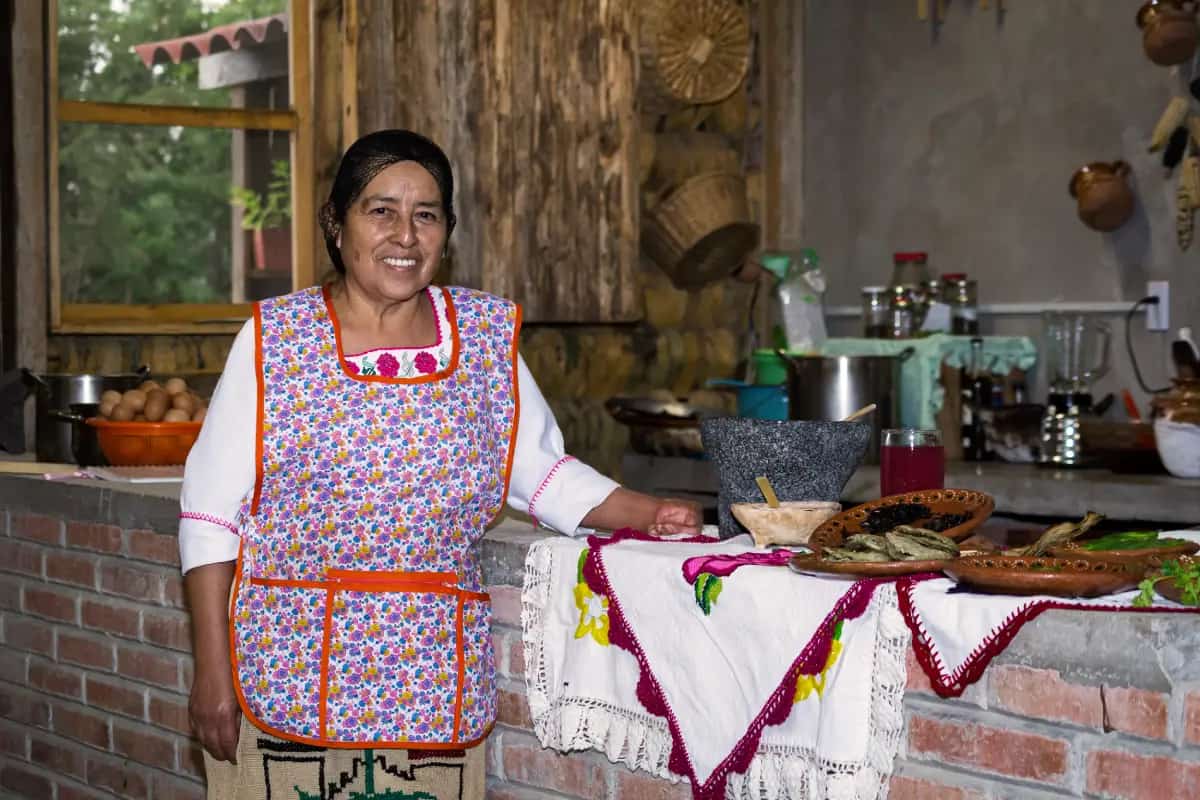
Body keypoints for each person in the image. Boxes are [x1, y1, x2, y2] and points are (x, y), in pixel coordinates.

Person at [180, 129, 702, 800]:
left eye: (426, 214)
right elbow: (208, 515)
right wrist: (211, 674)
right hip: (288, 672)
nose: (405, 234)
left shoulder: (483, 339)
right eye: (381, 211)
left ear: (446, 233)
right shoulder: (276, 339)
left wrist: (648, 512)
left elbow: (541, 473)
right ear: (336, 226)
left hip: (429, 678)